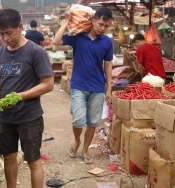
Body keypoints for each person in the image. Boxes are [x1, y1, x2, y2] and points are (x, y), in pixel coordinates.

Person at [0, 9, 54, 188]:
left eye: (9, 33)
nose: (6, 38)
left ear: (20, 27)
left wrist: (20, 96)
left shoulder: (36, 52)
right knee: (9, 158)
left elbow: (48, 84)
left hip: (29, 117)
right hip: (5, 118)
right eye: (1, 33)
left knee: (33, 160)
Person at [53, 6, 113, 164]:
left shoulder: (107, 41)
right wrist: (66, 21)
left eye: (106, 26)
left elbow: (108, 65)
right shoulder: (78, 37)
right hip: (79, 85)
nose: (103, 28)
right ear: (93, 21)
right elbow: (56, 41)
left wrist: (109, 88)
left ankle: (85, 151)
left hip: (97, 87)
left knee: (93, 122)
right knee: (78, 120)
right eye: (100, 24)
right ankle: (76, 141)